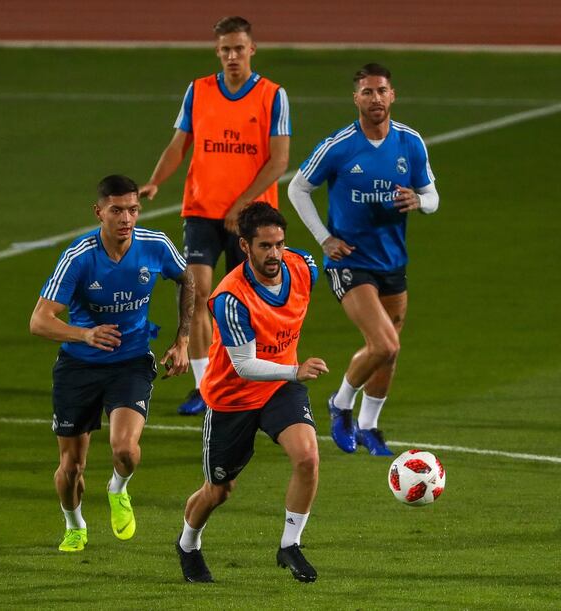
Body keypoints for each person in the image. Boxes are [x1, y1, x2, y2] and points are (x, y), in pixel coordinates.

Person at [30, 174, 195, 552]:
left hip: (131, 361)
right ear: (99, 212)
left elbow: (188, 279)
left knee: (125, 449)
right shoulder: (79, 256)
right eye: (117, 210)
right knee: (71, 467)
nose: (126, 218)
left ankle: (118, 489)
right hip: (79, 367)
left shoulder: (155, 245)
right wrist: (84, 334)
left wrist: (182, 339)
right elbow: (39, 321)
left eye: (133, 210)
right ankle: (75, 524)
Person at [140, 16, 291, 416]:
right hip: (202, 211)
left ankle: (254, 379)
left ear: (252, 50)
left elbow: (279, 162)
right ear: (217, 52)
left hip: (251, 218)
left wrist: (241, 205)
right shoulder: (199, 91)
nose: (231, 56)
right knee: (199, 293)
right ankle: (206, 388)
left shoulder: (273, 96)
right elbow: (178, 145)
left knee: (250, 301)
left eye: (238, 48)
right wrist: (156, 181)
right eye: (225, 49)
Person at [287, 63, 439, 456]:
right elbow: (298, 188)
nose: (375, 98)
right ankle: (339, 404)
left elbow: (433, 196)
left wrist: (419, 201)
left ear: (393, 95)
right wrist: (324, 238)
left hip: (393, 262)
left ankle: (370, 426)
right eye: (367, 92)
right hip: (350, 263)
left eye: (382, 91)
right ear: (356, 98)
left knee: (388, 351)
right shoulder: (338, 146)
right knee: (385, 343)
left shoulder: (410, 142)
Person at [174, 202, 328, 584]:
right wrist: (296, 369)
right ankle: (188, 544)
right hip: (233, 397)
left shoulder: (303, 266)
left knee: (307, 457)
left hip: (279, 389)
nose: (275, 254)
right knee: (219, 491)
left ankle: (290, 544)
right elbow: (244, 365)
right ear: (244, 246)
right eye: (264, 246)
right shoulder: (231, 298)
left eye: (279, 244)